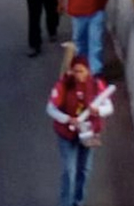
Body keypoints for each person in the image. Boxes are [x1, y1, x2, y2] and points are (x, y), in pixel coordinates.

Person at [47, 56, 115, 206]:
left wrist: (98, 110)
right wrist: (67, 119)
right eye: (75, 71)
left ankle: (78, 201)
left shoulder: (96, 84)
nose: (78, 75)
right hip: (67, 135)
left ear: (88, 71)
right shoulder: (63, 85)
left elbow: (109, 107)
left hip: (87, 134)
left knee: (84, 170)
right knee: (69, 171)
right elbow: (51, 109)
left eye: (81, 71)